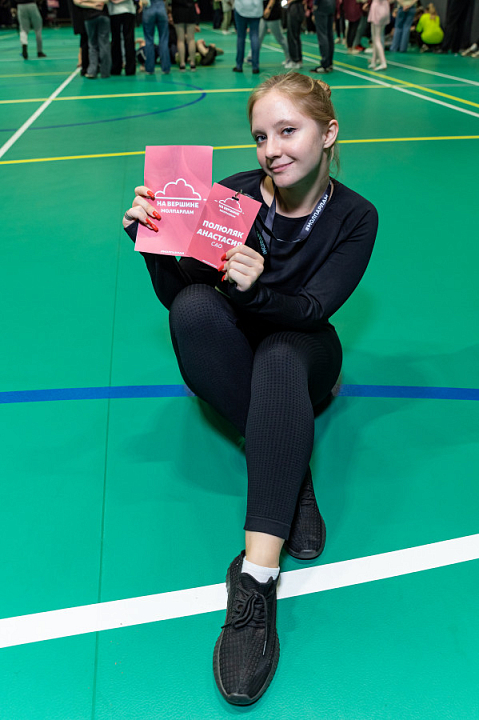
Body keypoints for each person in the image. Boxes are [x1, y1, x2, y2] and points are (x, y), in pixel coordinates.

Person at [122, 72, 378, 706]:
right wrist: (153, 244)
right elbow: (182, 297)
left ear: (329, 132)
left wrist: (256, 288)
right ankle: (290, 468)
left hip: (304, 346)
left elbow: (312, 309)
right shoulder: (233, 195)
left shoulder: (355, 216)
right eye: (261, 136)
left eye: (288, 131)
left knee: (283, 357)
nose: (272, 149)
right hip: (241, 349)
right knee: (194, 312)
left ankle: (257, 581)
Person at [246, 0, 290, 66]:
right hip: (262, 15)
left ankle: (290, 57)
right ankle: (251, 57)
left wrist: (268, 8)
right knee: (258, 37)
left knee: (280, 38)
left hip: (273, 15)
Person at [74, 0, 111, 78]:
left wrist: (89, 3)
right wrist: (95, 4)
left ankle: (92, 71)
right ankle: (105, 72)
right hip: (102, 15)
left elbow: (78, 2)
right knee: (104, 44)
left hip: (90, 17)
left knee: (92, 45)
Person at [232, 0, 263, 73]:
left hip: (241, 9)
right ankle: (255, 66)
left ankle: (239, 65)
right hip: (256, 10)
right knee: (255, 36)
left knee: (241, 37)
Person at [142, 0, 171, 74]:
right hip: (161, 8)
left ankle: (149, 68)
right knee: (164, 40)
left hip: (148, 8)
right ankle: (166, 68)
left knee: (149, 40)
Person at [108, 0, 136, 75]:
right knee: (127, 40)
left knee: (117, 40)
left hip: (118, 12)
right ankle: (129, 69)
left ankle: (117, 68)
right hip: (125, 11)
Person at [310, 0, 336, 74]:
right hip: (331, 5)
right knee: (329, 35)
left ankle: (325, 65)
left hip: (322, 6)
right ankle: (329, 63)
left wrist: (315, 5)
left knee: (322, 35)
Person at [171, 0, 198, 70]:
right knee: (191, 39)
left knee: (180, 39)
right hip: (190, 11)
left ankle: (182, 64)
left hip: (178, 11)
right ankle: (192, 64)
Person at [367, 0, 389, 69]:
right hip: (385, 9)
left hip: (377, 11)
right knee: (376, 38)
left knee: (376, 39)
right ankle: (373, 61)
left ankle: (383, 62)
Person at [284, 0, 305, 68]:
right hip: (297, 8)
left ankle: (295, 60)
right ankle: (298, 60)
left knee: (292, 36)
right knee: (295, 35)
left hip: (294, 8)